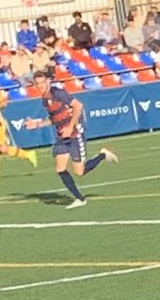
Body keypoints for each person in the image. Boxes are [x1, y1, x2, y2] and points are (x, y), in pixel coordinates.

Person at [23, 70, 118, 208]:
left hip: (74, 133)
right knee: (60, 168)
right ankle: (80, 199)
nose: (41, 86)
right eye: (38, 84)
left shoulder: (58, 93)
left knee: (80, 171)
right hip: (62, 136)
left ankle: (103, 154)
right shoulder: (45, 99)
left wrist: (70, 126)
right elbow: (53, 119)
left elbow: (78, 106)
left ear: (48, 81)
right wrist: (37, 124)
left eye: (43, 82)